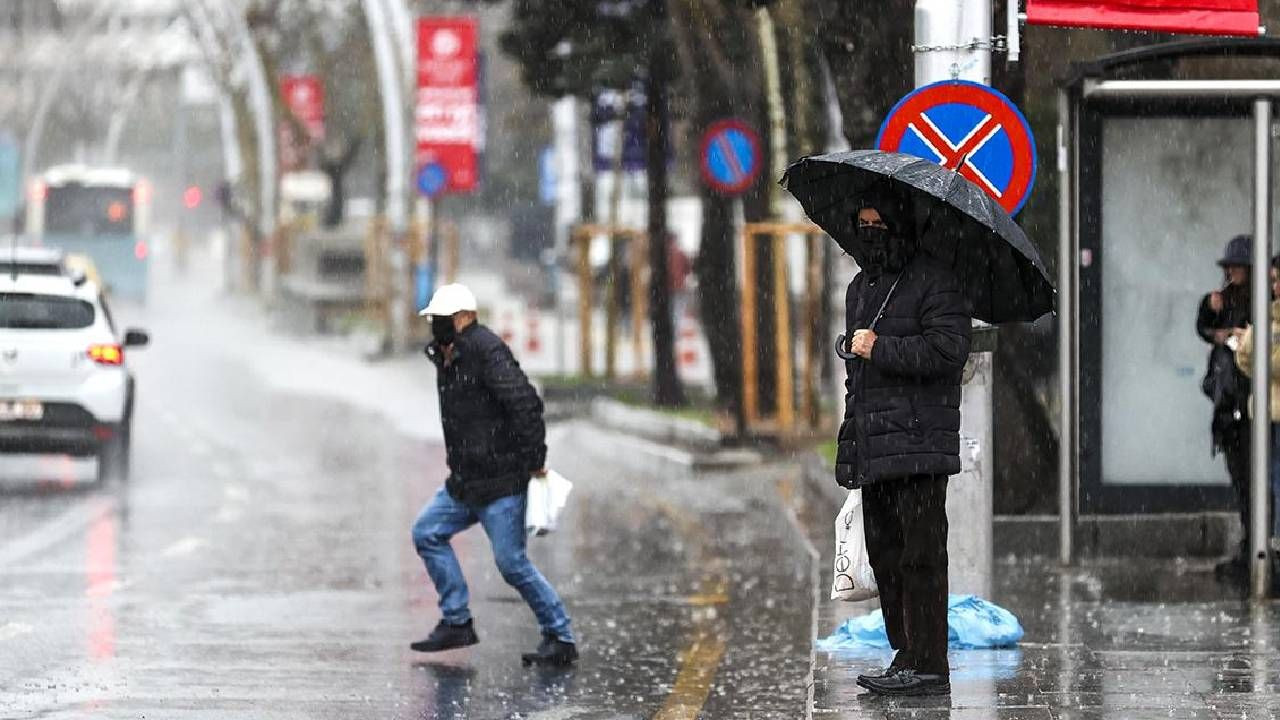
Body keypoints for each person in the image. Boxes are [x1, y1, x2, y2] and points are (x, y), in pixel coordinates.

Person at [833, 186, 971, 697]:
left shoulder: (935, 281)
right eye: (861, 225)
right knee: (886, 556)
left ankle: (930, 663)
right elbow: (858, 378)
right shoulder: (859, 288)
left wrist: (880, 347)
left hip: (920, 445)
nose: (870, 235)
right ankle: (905, 653)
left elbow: (948, 350)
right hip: (875, 447)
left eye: (879, 226)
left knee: (922, 557)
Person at [409, 283, 577, 666]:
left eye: (441, 318)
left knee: (512, 564)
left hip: (501, 483)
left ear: (464, 317)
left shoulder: (486, 351)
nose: (436, 325)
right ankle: (457, 621)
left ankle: (560, 636)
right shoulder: (448, 355)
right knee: (427, 532)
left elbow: (526, 403)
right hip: (466, 482)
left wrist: (535, 461)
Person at [1197, 235, 1253, 579]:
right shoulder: (1222, 300)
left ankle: (1257, 547)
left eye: (1237, 267)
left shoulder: (1259, 302)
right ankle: (1250, 545)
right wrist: (1212, 315)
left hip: (1248, 405)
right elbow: (1204, 328)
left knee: (1255, 481)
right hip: (1227, 407)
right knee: (1241, 480)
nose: (1231, 273)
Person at [1234, 257, 1280, 566]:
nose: (1275, 287)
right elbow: (1246, 358)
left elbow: (1267, 362)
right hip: (1267, 414)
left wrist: (1263, 354)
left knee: (1276, 478)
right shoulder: (1269, 318)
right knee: (1266, 479)